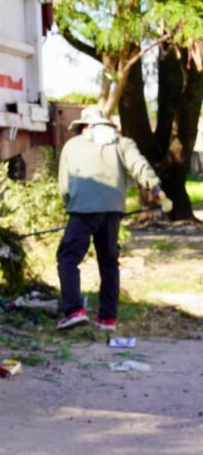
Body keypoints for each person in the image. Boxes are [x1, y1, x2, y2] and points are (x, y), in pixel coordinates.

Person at [56, 106, 164, 331]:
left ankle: (74, 310)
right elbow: (140, 167)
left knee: (68, 258)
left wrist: (70, 204)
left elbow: (64, 185)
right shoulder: (123, 143)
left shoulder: (72, 146)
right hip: (113, 210)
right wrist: (155, 187)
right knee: (108, 263)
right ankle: (107, 318)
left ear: (84, 126)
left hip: (82, 210)